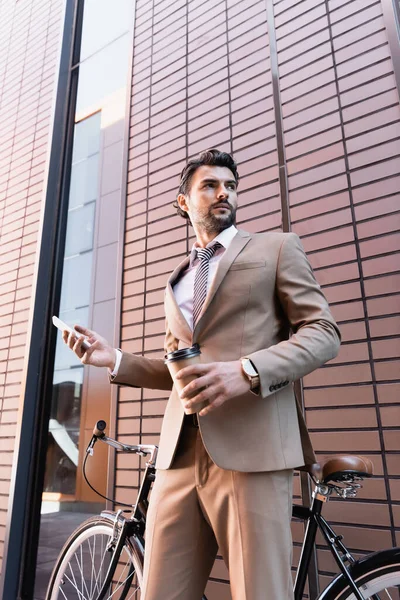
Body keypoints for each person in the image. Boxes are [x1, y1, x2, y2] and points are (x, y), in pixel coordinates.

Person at [64, 149, 341, 600]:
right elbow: (180, 371)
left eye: (229, 186)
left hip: (252, 450)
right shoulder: (176, 281)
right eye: (209, 185)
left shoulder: (276, 248)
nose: (223, 193)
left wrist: (248, 370)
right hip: (178, 458)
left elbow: (325, 332)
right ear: (183, 201)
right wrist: (112, 359)